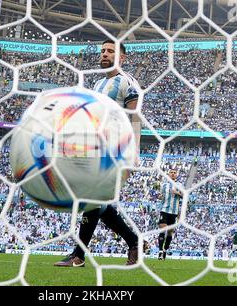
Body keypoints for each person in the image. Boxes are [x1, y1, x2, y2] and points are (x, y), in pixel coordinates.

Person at [54, 39, 145, 267]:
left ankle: (79, 255)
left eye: (110, 51)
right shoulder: (96, 84)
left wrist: (133, 152)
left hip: (116, 151)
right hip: (94, 149)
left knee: (91, 200)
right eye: (103, 50)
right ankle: (134, 242)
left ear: (122, 57)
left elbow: (135, 118)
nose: (104, 54)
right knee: (96, 202)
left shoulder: (127, 82)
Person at [157, 169, 182, 260]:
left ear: (177, 174)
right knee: (162, 230)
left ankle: (165, 250)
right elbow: (161, 197)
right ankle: (160, 251)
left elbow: (185, 196)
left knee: (170, 232)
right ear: (168, 174)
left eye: (175, 172)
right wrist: (160, 197)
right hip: (164, 210)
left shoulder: (179, 185)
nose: (173, 173)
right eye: (171, 172)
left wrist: (177, 193)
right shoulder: (163, 185)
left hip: (174, 212)